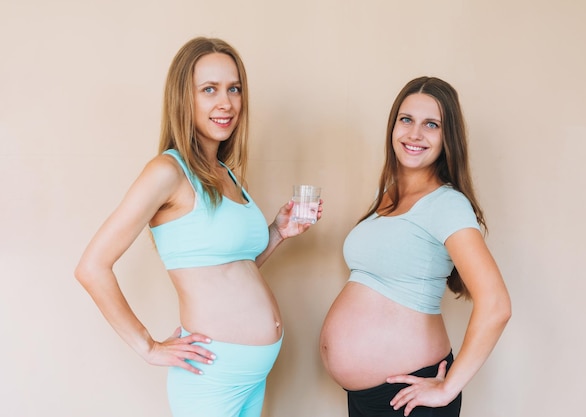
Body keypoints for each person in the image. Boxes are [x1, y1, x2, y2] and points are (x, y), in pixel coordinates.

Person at [75, 37, 321, 417]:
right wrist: (148, 347)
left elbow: (230, 270)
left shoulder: (225, 174)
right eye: (210, 90)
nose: (226, 103)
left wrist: (278, 231)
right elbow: (91, 267)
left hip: (250, 375)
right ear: (183, 99)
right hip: (211, 377)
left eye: (234, 89)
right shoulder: (168, 172)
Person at [319, 76, 511, 417]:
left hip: (409, 397)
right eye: (406, 120)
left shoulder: (446, 204)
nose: (414, 134)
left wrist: (449, 387)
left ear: (446, 137)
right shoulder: (388, 198)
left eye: (431, 124)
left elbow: (496, 304)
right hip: (369, 398)